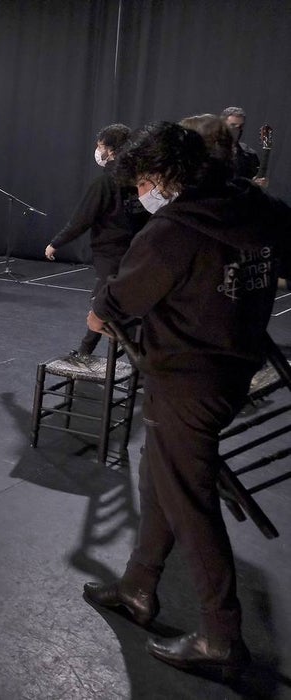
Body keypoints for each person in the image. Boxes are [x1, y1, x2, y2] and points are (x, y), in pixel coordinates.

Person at [83, 121, 291, 682]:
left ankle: (221, 635)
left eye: (146, 179)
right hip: (234, 368)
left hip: (187, 381)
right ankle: (138, 586)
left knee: (187, 501)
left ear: (165, 175)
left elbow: (125, 296)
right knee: (160, 478)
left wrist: (100, 303)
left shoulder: (172, 230)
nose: (143, 191)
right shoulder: (257, 208)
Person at [44, 124, 148, 364]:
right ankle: (85, 350)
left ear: (110, 149)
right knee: (103, 302)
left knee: (110, 306)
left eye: (100, 145)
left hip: (111, 255)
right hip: (137, 252)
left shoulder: (104, 184)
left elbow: (82, 220)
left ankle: (142, 366)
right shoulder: (140, 180)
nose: (97, 150)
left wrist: (55, 243)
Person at [220, 107, 267, 187]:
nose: (237, 130)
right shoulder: (209, 150)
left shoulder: (249, 154)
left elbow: (254, 181)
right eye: (233, 125)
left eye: (240, 126)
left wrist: (258, 184)